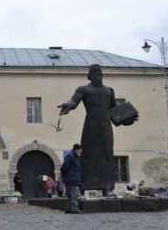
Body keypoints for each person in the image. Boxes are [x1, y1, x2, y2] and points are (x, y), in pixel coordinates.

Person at [58, 64, 137, 196]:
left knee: (107, 155)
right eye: (94, 73)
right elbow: (74, 102)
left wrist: (126, 119)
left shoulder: (109, 91)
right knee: (88, 154)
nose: (97, 75)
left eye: (99, 73)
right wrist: (68, 105)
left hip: (106, 127)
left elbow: (113, 111)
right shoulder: (83, 89)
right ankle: (84, 186)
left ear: (102, 75)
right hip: (90, 126)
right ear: (90, 76)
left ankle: (107, 187)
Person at [61, 144, 83, 214]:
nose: (81, 152)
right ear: (76, 150)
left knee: (70, 194)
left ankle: (68, 209)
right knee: (74, 194)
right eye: (80, 150)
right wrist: (66, 176)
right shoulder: (70, 156)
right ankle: (74, 208)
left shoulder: (75, 157)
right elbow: (63, 168)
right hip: (71, 179)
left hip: (72, 178)